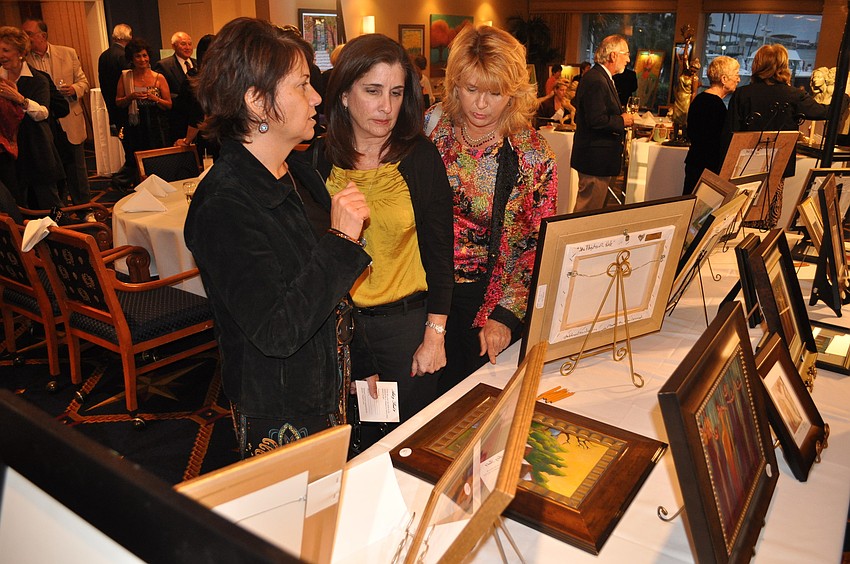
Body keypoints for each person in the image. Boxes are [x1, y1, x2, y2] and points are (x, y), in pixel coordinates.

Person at [184, 17, 372, 458]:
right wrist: (341, 241)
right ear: (257, 101)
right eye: (302, 85)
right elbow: (276, 331)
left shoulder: (298, 172)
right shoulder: (223, 204)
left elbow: (330, 294)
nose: (316, 97)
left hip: (329, 385)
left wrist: (363, 363)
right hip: (283, 409)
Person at [305, 33, 453, 448]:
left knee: (413, 444)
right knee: (355, 446)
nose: (386, 107)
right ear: (344, 95)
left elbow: (441, 256)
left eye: (396, 92)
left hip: (408, 327)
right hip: (341, 328)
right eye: (373, 91)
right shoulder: (316, 161)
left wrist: (435, 335)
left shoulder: (419, 157)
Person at [424, 25, 557, 394]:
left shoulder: (532, 154)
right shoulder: (433, 126)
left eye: (495, 93)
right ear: (455, 84)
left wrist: (504, 315)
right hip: (425, 290)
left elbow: (536, 244)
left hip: (484, 299)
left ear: (513, 92)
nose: (481, 104)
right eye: (471, 89)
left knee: (468, 401)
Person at [724, 43, 830, 229]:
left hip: (744, 166)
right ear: (783, 66)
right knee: (769, 216)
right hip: (777, 166)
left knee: (738, 216)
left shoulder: (743, 94)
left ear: (758, 64)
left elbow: (730, 134)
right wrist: (846, 95)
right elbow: (824, 112)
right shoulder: (793, 95)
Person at [22, 19, 91, 206]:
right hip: (43, 124)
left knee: (77, 169)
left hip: (69, 119)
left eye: (29, 34)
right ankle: (60, 211)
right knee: (52, 171)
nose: (25, 37)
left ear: (42, 36)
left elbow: (84, 82)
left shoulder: (67, 53)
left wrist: (74, 89)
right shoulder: (23, 60)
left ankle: (84, 208)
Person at [0, 25, 63, 209]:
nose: (1, 55)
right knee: (15, 205)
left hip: (36, 148)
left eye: (6, 50)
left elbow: (43, 113)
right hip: (7, 154)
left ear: (21, 53)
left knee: (49, 204)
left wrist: (19, 99)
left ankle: (58, 229)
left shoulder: (38, 79)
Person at [570, 34, 634, 213]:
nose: (628, 60)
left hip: (599, 160)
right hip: (594, 161)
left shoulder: (601, 77)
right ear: (613, 55)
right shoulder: (596, 79)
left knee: (593, 212)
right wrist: (622, 120)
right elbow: (596, 120)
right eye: (626, 54)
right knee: (586, 214)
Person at [116, 38, 171, 182]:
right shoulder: (125, 77)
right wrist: (131, 97)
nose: (142, 59)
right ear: (132, 59)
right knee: (136, 163)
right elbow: (118, 102)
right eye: (138, 56)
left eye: (144, 55)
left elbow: (169, 104)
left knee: (158, 161)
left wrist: (155, 99)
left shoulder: (159, 77)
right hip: (135, 127)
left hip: (157, 127)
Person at [683, 56, 740, 195]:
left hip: (696, 163)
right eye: (736, 75)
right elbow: (717, 143)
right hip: (708, 169)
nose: (738, 79)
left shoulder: (700, 99)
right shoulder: (716, 105)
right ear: (724, 79)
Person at [98, 23, 135, 188]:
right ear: (129, 37)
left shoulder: (104, 56)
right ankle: (122, 179)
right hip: (126, 106)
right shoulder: (124, 56)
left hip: (113, 106)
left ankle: (125, 178)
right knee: (132, 146)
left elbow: (104, 85)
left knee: (127, 145)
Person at [174, 33, 218, 161]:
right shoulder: (227, 76)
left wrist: (187, 140)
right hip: (223, 134)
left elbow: (197, 113)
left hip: (209, 134)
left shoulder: (197, 78)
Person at [153, 31, 196, 144]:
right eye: (183, 44)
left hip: (196, 120)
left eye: (190, 44)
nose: (187, 47)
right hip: (177, 119)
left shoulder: (198, 64)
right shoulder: (164, 65)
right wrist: (184, 98)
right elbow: (163, 93)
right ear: (173, 46)